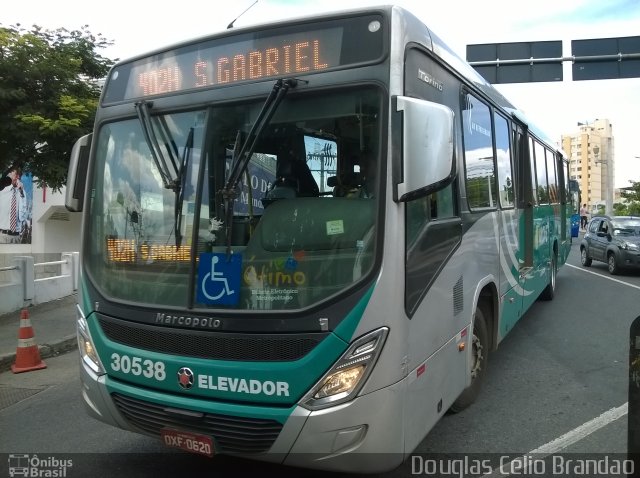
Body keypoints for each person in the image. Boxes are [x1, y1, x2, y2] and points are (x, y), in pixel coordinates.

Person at [0, 167, 26, 244]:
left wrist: (21, 192)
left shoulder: (22, 192)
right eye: (16, 174)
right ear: (9, 175)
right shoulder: (2, 190)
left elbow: (23, 215)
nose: (18, 177)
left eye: (19, 175)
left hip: (16, 237)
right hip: (2, 235)